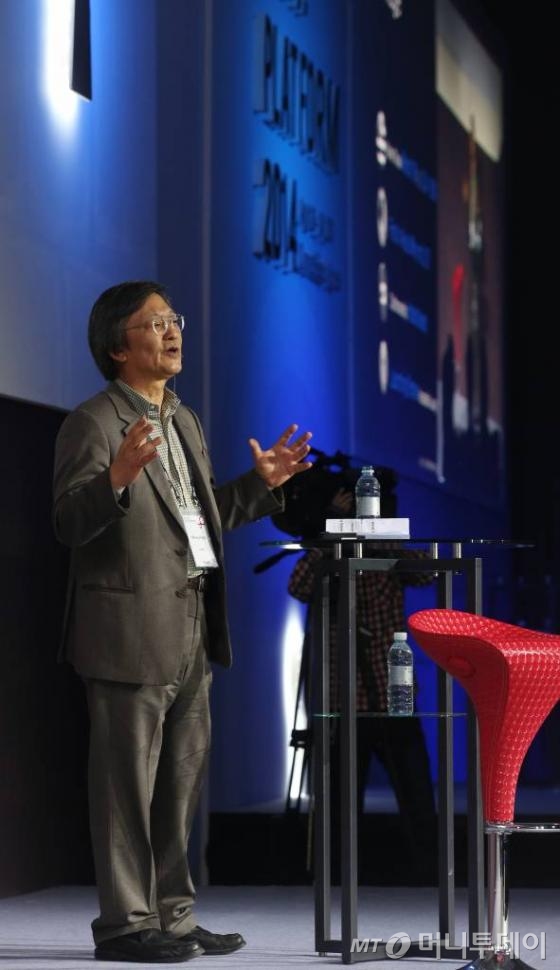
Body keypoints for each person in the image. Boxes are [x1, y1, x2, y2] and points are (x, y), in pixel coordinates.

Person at [52, 280, 312, 963]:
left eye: (175, 320)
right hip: (126, 629)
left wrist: (260, 486)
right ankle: (125, 925)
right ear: (118, 345)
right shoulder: (93, 422)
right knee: (125, 788)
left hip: (193, 622)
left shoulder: (184, 421)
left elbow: (201, 522)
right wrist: (114, 479)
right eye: (156, 323)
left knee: (180, 784)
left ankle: (173, 916)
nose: (173, 332)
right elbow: (68, 521)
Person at [287, 486, 437, 883]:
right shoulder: (331, 554)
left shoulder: (386, 551)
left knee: (417, 793)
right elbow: (298, 586)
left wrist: (383, 539)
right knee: (340, 800)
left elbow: (429, 570)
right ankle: (336, 878)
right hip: (344, 696)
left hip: (392, 693)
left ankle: (431, 873)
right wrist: (330, 534)